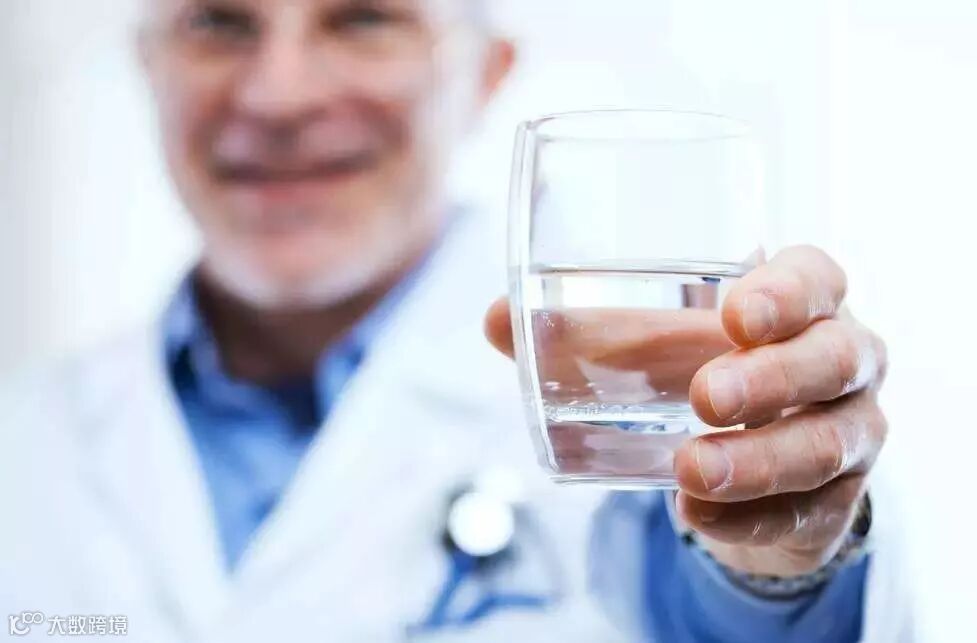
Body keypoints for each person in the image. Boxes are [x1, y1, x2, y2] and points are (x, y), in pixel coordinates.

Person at [0, 0, 911, 641]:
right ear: (148, 66)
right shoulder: (28, 439)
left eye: (363, 18)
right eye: (217, 23)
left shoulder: (652, 403)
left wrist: (778, 561)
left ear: (485, 76)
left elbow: (744, 614)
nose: (278, 96)